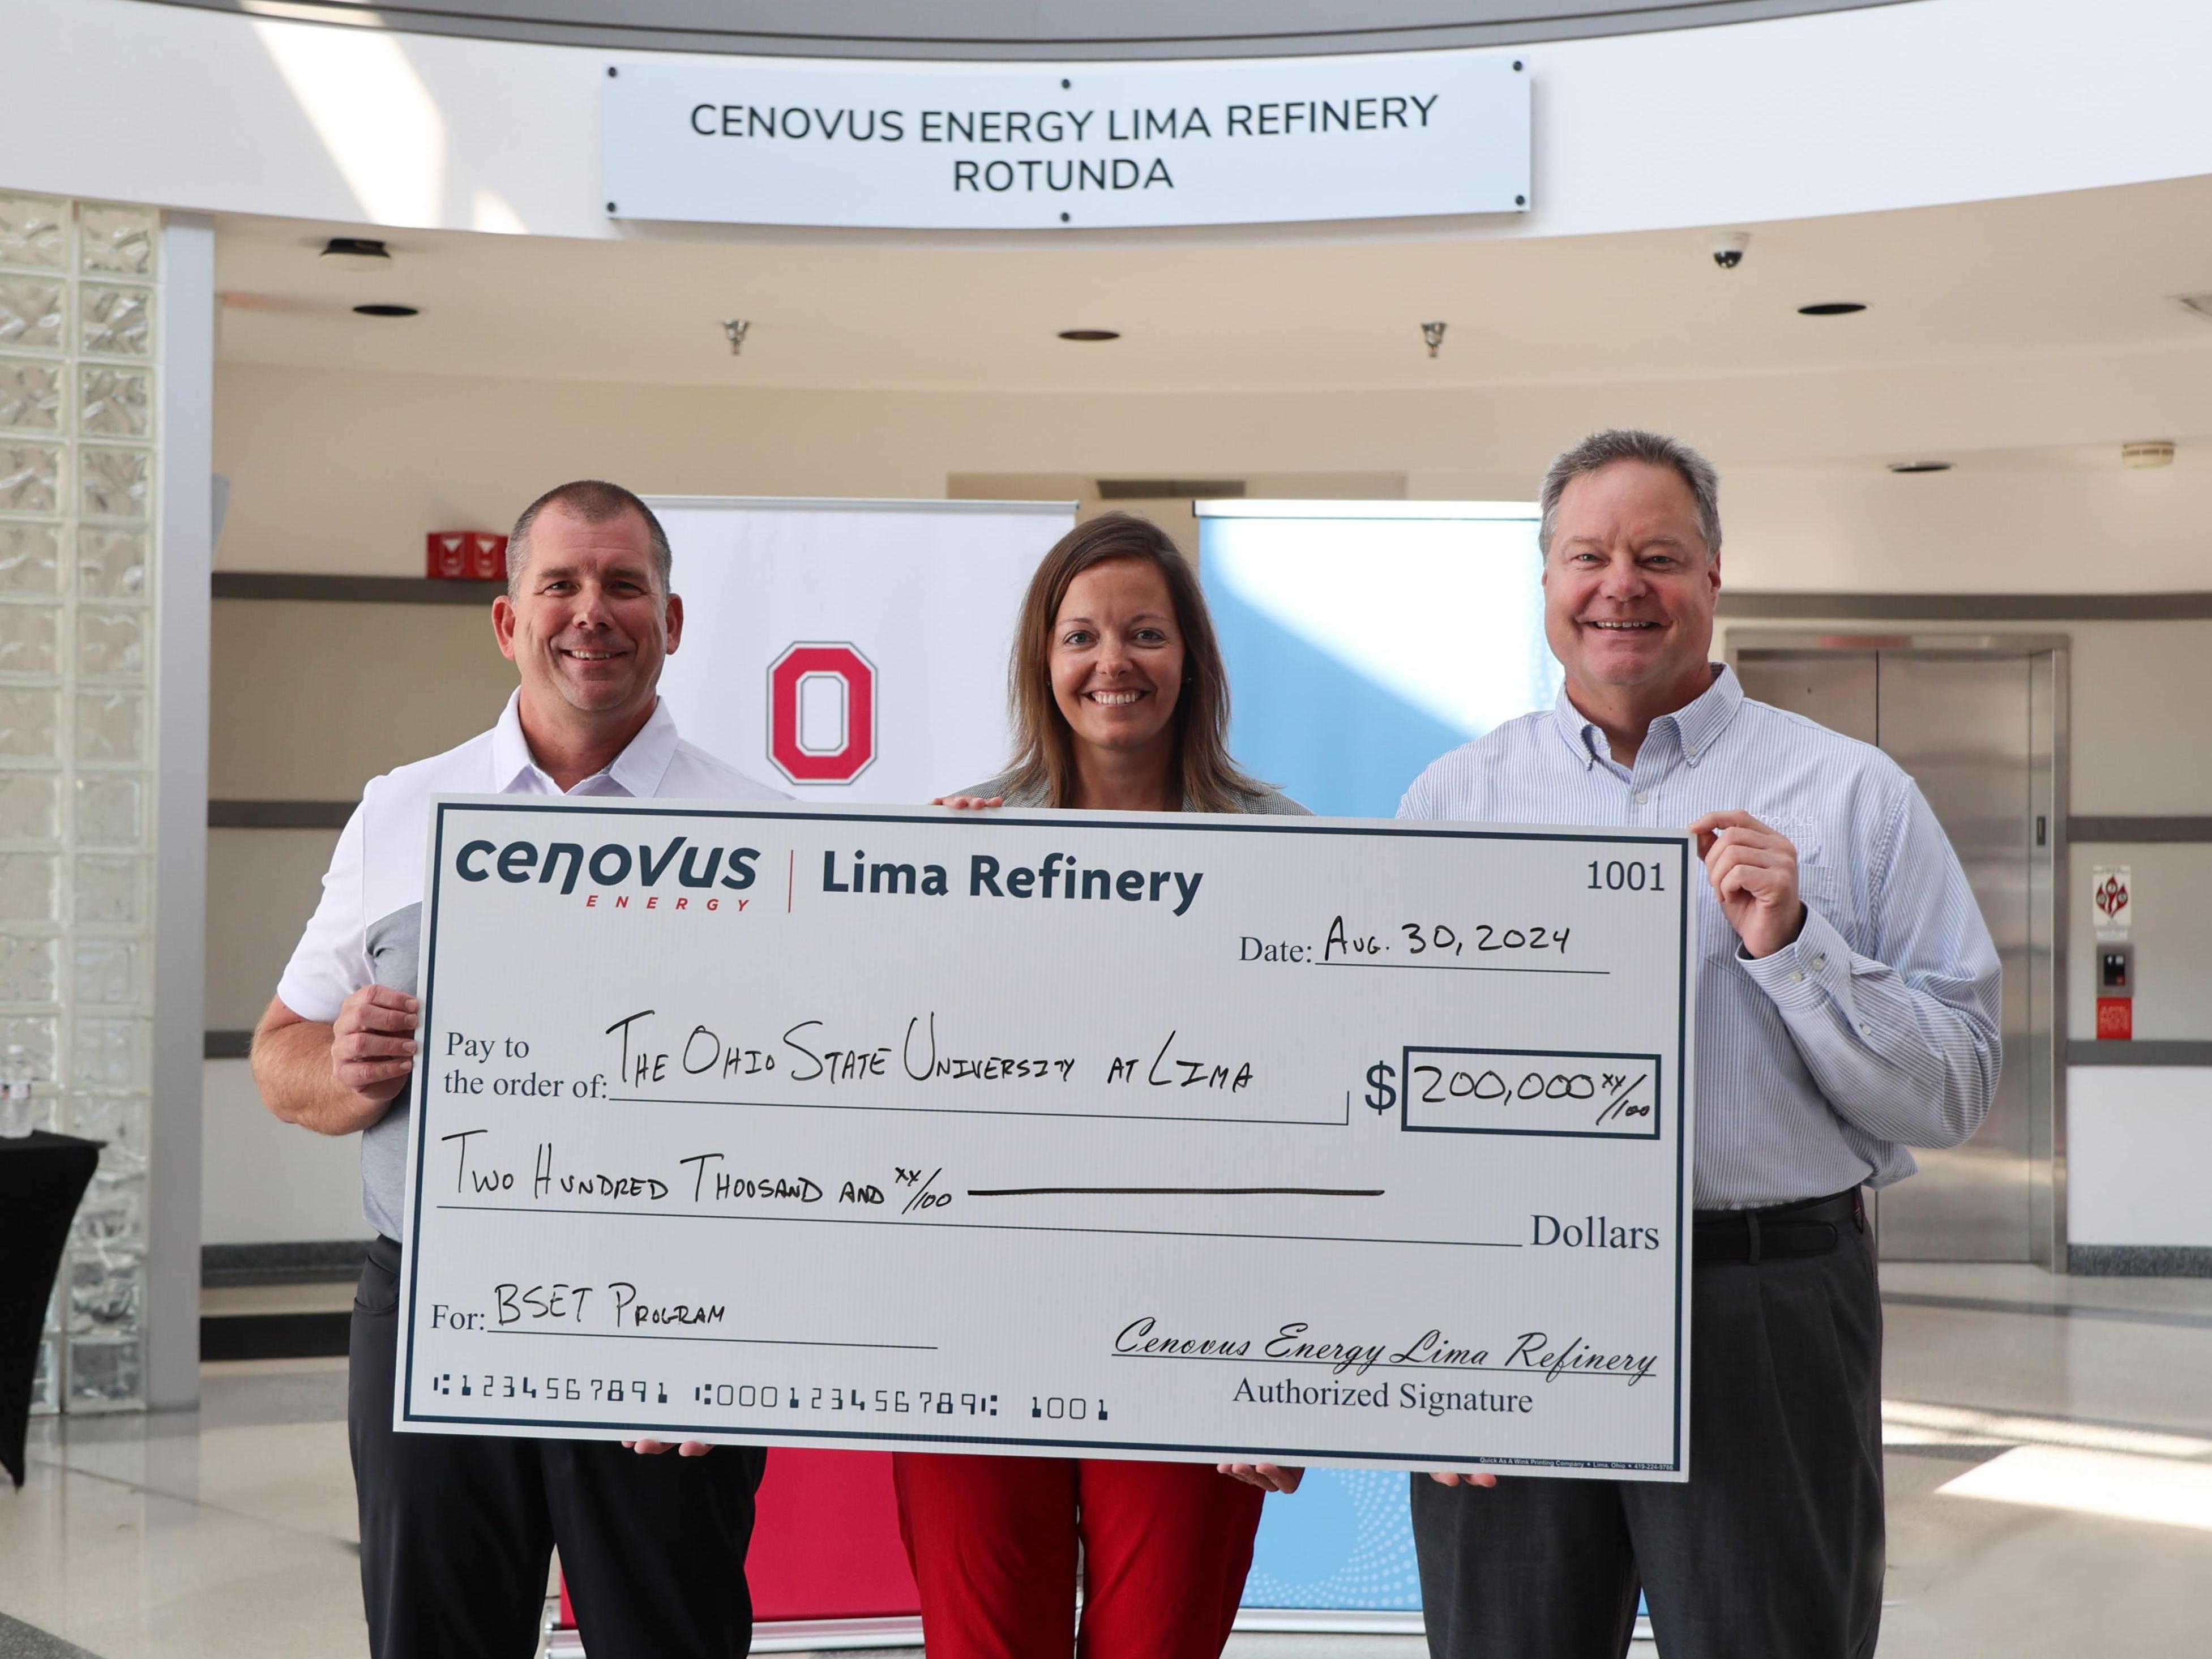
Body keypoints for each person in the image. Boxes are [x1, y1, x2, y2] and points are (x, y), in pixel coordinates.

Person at [1400, 430, 2000, 1659]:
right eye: (1588, 555)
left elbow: (1956, 1089)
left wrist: (1796, 945)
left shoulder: (1850, 797)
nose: (1620, 584)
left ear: (1714, 577)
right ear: (1548, 580)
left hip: (1763, 1304)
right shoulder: (1452, 803)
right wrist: (1428, 1355)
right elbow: (1395, 1107)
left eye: (1658, 556)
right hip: (1513, 1308)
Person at [251, 481, 784, 1659]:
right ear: (508, 619)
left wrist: (740, 1338)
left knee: (671, 1636)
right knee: (436, 1636)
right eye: (560, 584)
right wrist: (349, 1071)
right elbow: (278, 1055)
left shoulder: (763, 831)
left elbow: (800, 1115)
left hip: (668, 1319)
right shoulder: (402, 809)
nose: (591, 611)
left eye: (623, 585)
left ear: (673, 618)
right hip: (435, 1307)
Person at [901, 511, 1306, 1659]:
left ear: (1193, 659)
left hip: (1197, 1325)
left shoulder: (1292, 848)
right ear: (1044, 662)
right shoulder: (957, 846)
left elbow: (1323, 1133)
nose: (1112, 662)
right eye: (1080, 636)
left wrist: (1291, 1371)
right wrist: (911, 918)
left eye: (1144, 633)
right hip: (977, 1324)